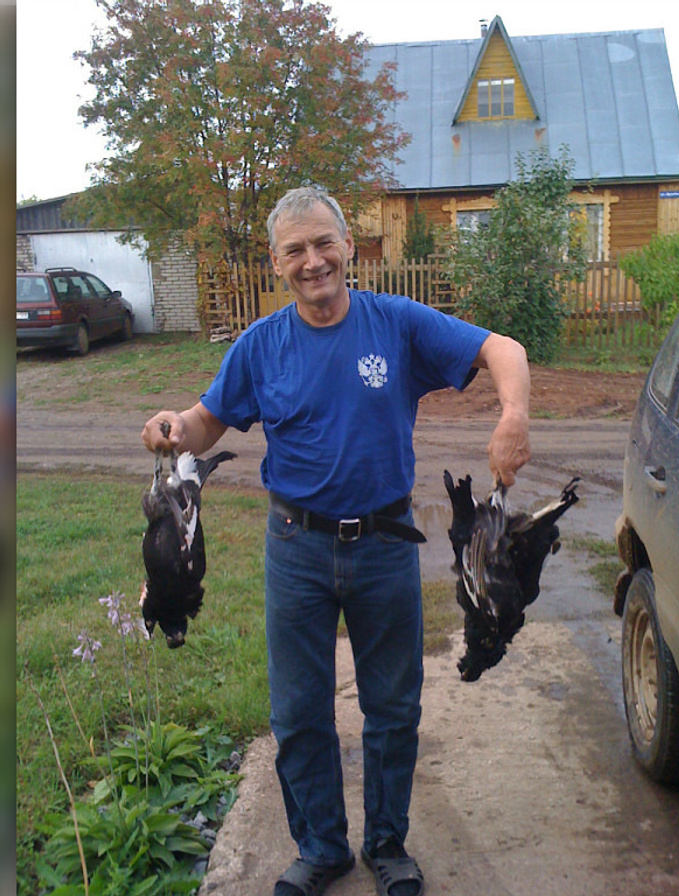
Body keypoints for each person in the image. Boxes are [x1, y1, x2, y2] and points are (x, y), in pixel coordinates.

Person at [141, 186, 531, 896]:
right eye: (296, 250)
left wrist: (514, 415)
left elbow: (502, 349)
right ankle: (321, 848)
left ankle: (387, 845)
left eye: (325, 244)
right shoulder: (260, 347)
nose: (313, 261)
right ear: (277, 262)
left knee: (393, 706)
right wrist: (172, 426)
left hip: (384, 547)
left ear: (349, 246)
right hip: (296, 549)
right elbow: (204, 425)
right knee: (297, 712)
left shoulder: (396, 324)